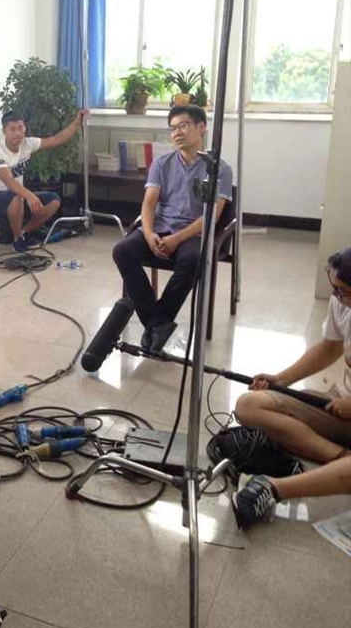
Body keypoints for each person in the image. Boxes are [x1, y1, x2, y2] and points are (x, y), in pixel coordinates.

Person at [232, 246, 351, 529]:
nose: (336, 296)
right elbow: (329, 348)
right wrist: (282, 380)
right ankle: (338, 457)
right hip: (340, 403)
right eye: (334, 288)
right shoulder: (342, 301)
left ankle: (275, 488)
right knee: (249, 405)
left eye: (343, 291)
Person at [112, 104, 233, 352]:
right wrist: (149, 234)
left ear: (201, 127)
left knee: (193, 260)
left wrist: (177, 239)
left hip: (193, 233)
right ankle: (158, 323)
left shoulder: (220, 169)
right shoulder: (161, 163)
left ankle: (157, 322)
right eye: (173, 128)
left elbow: (212, 216)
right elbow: (148, 204)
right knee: (122, 251)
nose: (177, 132)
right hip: (161, 226)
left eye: (183, 126)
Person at [0, 109, 87, 253]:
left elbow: (55, 140)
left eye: (20, 128)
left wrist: (77, 123)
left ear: (25, 128)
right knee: (18, 196)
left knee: (53, 200)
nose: (17, 133)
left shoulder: (27, 144)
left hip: (19, 197)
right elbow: (9, 182)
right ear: (4, 131)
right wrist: (30, 196)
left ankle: (24, 232)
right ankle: (17, 239)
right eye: (12, 129)